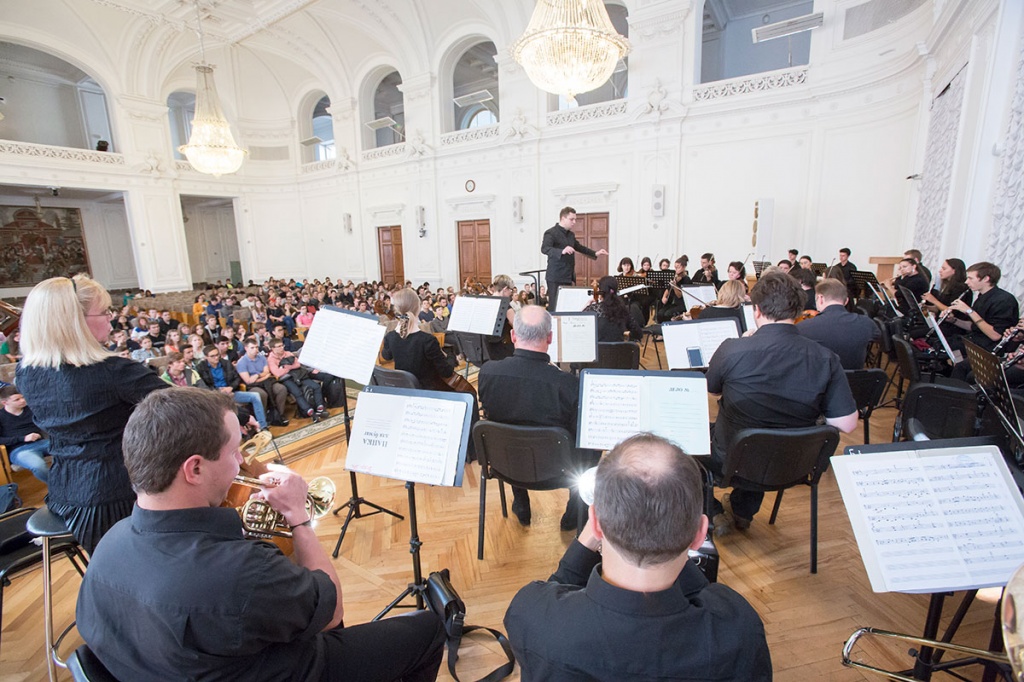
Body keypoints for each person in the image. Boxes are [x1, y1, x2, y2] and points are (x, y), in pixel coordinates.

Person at [76, 387, 445, 682]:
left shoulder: (108, 546)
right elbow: (332, 612)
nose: (241, 462)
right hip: (292, 670)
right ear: (195, 469)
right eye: (234, 451)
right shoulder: (243, 572)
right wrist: (298, 518)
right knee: (427, 629)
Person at [504, 433, 772, 682]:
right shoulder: (739, 627)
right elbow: (705, 593)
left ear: (595, 524)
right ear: (700, 534)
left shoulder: (532, 614)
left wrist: (587, 540)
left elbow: (556, 590)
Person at [16, 275, 168, 552]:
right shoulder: (112, 370)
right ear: (75, 320)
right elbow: (183, 405)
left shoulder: (26, 372)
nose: (111, 318)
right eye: (105, 311)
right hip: (117, 496)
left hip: (63, 493)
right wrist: (238, 415)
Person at [706, 272, 858, 532]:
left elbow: (712, 389)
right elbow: (846, 424)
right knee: (770, 435)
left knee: (689, 440)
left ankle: (713, 511)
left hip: (730, 460)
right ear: (799, 309)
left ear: (756, 310)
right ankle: (743, 510)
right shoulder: (825, 357)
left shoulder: (732, 348)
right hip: (794, 464)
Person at [477, 305, 595, 530]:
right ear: (550, 338)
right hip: (557, 473)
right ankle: (573, 514)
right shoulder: (568, 385)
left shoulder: (488, 372)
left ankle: (521, 506)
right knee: (589, 447)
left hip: (505, 465)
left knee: (508, 428)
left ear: (513, 336)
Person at [381, 288, 457, 392]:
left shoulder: (390, 337)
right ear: (418, 309)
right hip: (429, 392)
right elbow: (446, 372)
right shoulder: (427, 340)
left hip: (406, 390)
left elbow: (386, 356)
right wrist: (451, 356)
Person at [797, 278, 881, 369]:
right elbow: (878, 338)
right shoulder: (866, 323)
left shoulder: (803, 327)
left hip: (820, 381)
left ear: (820, 299)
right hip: (854, 381)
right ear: (846, 301)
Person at [541, 206, 609, 310]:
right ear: (563, 218)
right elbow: (545, 249)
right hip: (555, 276)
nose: (574, 222)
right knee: (555, 306)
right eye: (571, 219)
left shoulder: (571, 235)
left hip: (568, 276)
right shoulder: (551, 232)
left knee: (567, 305)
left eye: (575, 219)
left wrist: (595, 253)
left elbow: (579, 247)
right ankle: (554, 326)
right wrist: (561, 251)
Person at [946, 261, 1020, 352]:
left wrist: (969, 311)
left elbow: (995, 335)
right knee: (940, 343)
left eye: (970, 278)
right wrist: (953, 320)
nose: (966, 282)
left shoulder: (1004, 300)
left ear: (986, 279)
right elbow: (974, 326)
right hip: (975, 341)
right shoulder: (981, 297)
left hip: (989, 350)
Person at [197, 345, 270, 430]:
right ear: (206, 357)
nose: (216, 357)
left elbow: (237, 378)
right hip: (215, 397)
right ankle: (241, 431)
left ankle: (262, 426)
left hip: (231, 392)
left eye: (217, 355)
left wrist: (231, 387)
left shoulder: (226, 363)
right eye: (212, 356)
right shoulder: (201, 368)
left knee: (255, 396)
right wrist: (218, 391)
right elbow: (203, 387)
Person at [0, 385, 50, 483]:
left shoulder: (32, 409)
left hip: (42, 443)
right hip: (19, 450)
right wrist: (23, 438)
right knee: (38, 466)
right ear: (5, 402)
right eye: (17, 399)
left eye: (23, 397)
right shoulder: (1, 417)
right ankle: (59, 488)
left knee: (73, 450)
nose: (22, 400)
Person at [267, 338, 325, 422]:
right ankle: (310, 412)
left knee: (316, 387)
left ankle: (320, 408)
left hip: (298, 375)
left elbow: (298, 364)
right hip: (286, 379)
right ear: (273, 348)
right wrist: (288, 369)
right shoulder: (271, 359)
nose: (282, 348)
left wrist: (286, 367)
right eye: (279, 346)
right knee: (297, 393)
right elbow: (277, 373)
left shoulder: (288, 353)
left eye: (282, 345)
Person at [236, 337, 290, 426]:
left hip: (266, 382)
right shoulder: (241, 362)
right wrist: (261, 375)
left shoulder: (261, 358)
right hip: (252, 386)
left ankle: (278, 415)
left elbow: (267, 372)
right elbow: (249, 381)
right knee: (261, 394)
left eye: (257, 347)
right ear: (246, 349)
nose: (255, 350)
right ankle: (263, 418)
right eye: (252, 348)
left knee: (281, 388)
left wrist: (257, 376)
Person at [584, 276, 643, 342]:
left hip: (599, 351)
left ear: (600, 292)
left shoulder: (593, 309)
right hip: (618, 351)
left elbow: (578, 326)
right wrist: (626, 333)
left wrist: (586, 306)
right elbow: (638, 333)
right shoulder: (622, 309)